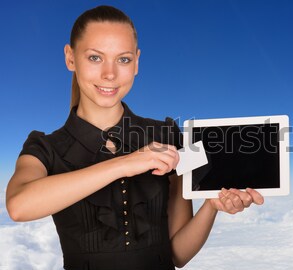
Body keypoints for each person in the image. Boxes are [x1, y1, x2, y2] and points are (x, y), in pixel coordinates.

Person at [5, 5, 264, 270]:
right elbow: (19, 206)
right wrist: (126, 163)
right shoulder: (45, 147)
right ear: (70, 58)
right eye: (95, 58)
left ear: (137, 62)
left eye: (123, 59)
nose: (110, 74)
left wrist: (211, 207)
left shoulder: (166, 136)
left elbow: (178, 255)